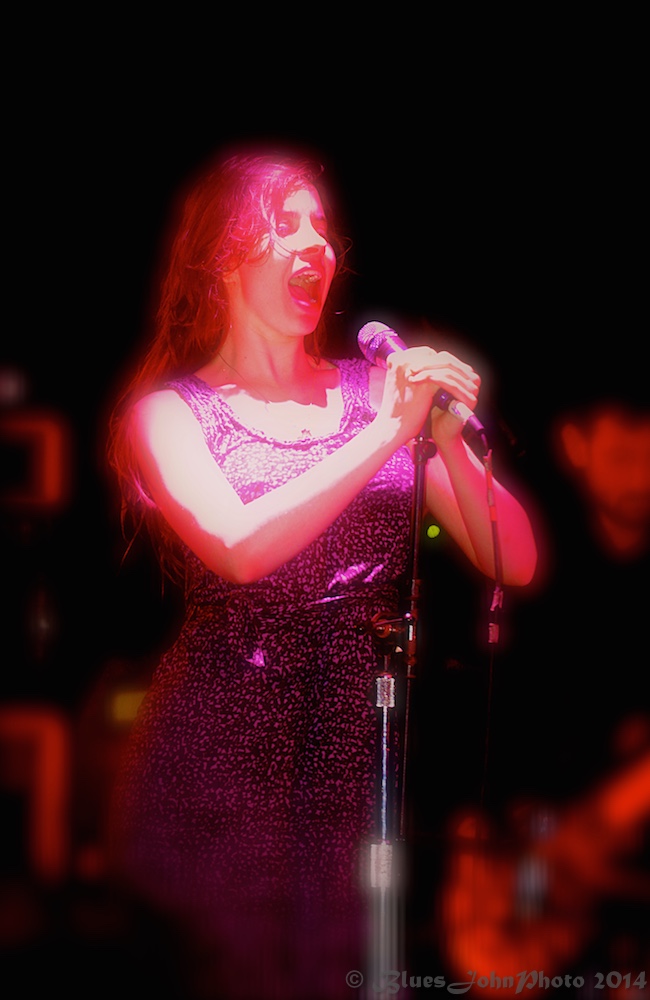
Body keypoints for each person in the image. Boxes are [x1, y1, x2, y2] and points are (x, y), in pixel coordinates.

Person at [106, 147, 537, 1000]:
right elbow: (237, 548)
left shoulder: (374, 394)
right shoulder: (168, 413)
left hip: (360, 743)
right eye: (284, 224)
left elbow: (513, 559)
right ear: (221, 258)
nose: (316, 244)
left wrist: (443, 436)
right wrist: (386, 433)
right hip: (224, 747)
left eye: (323, 228)